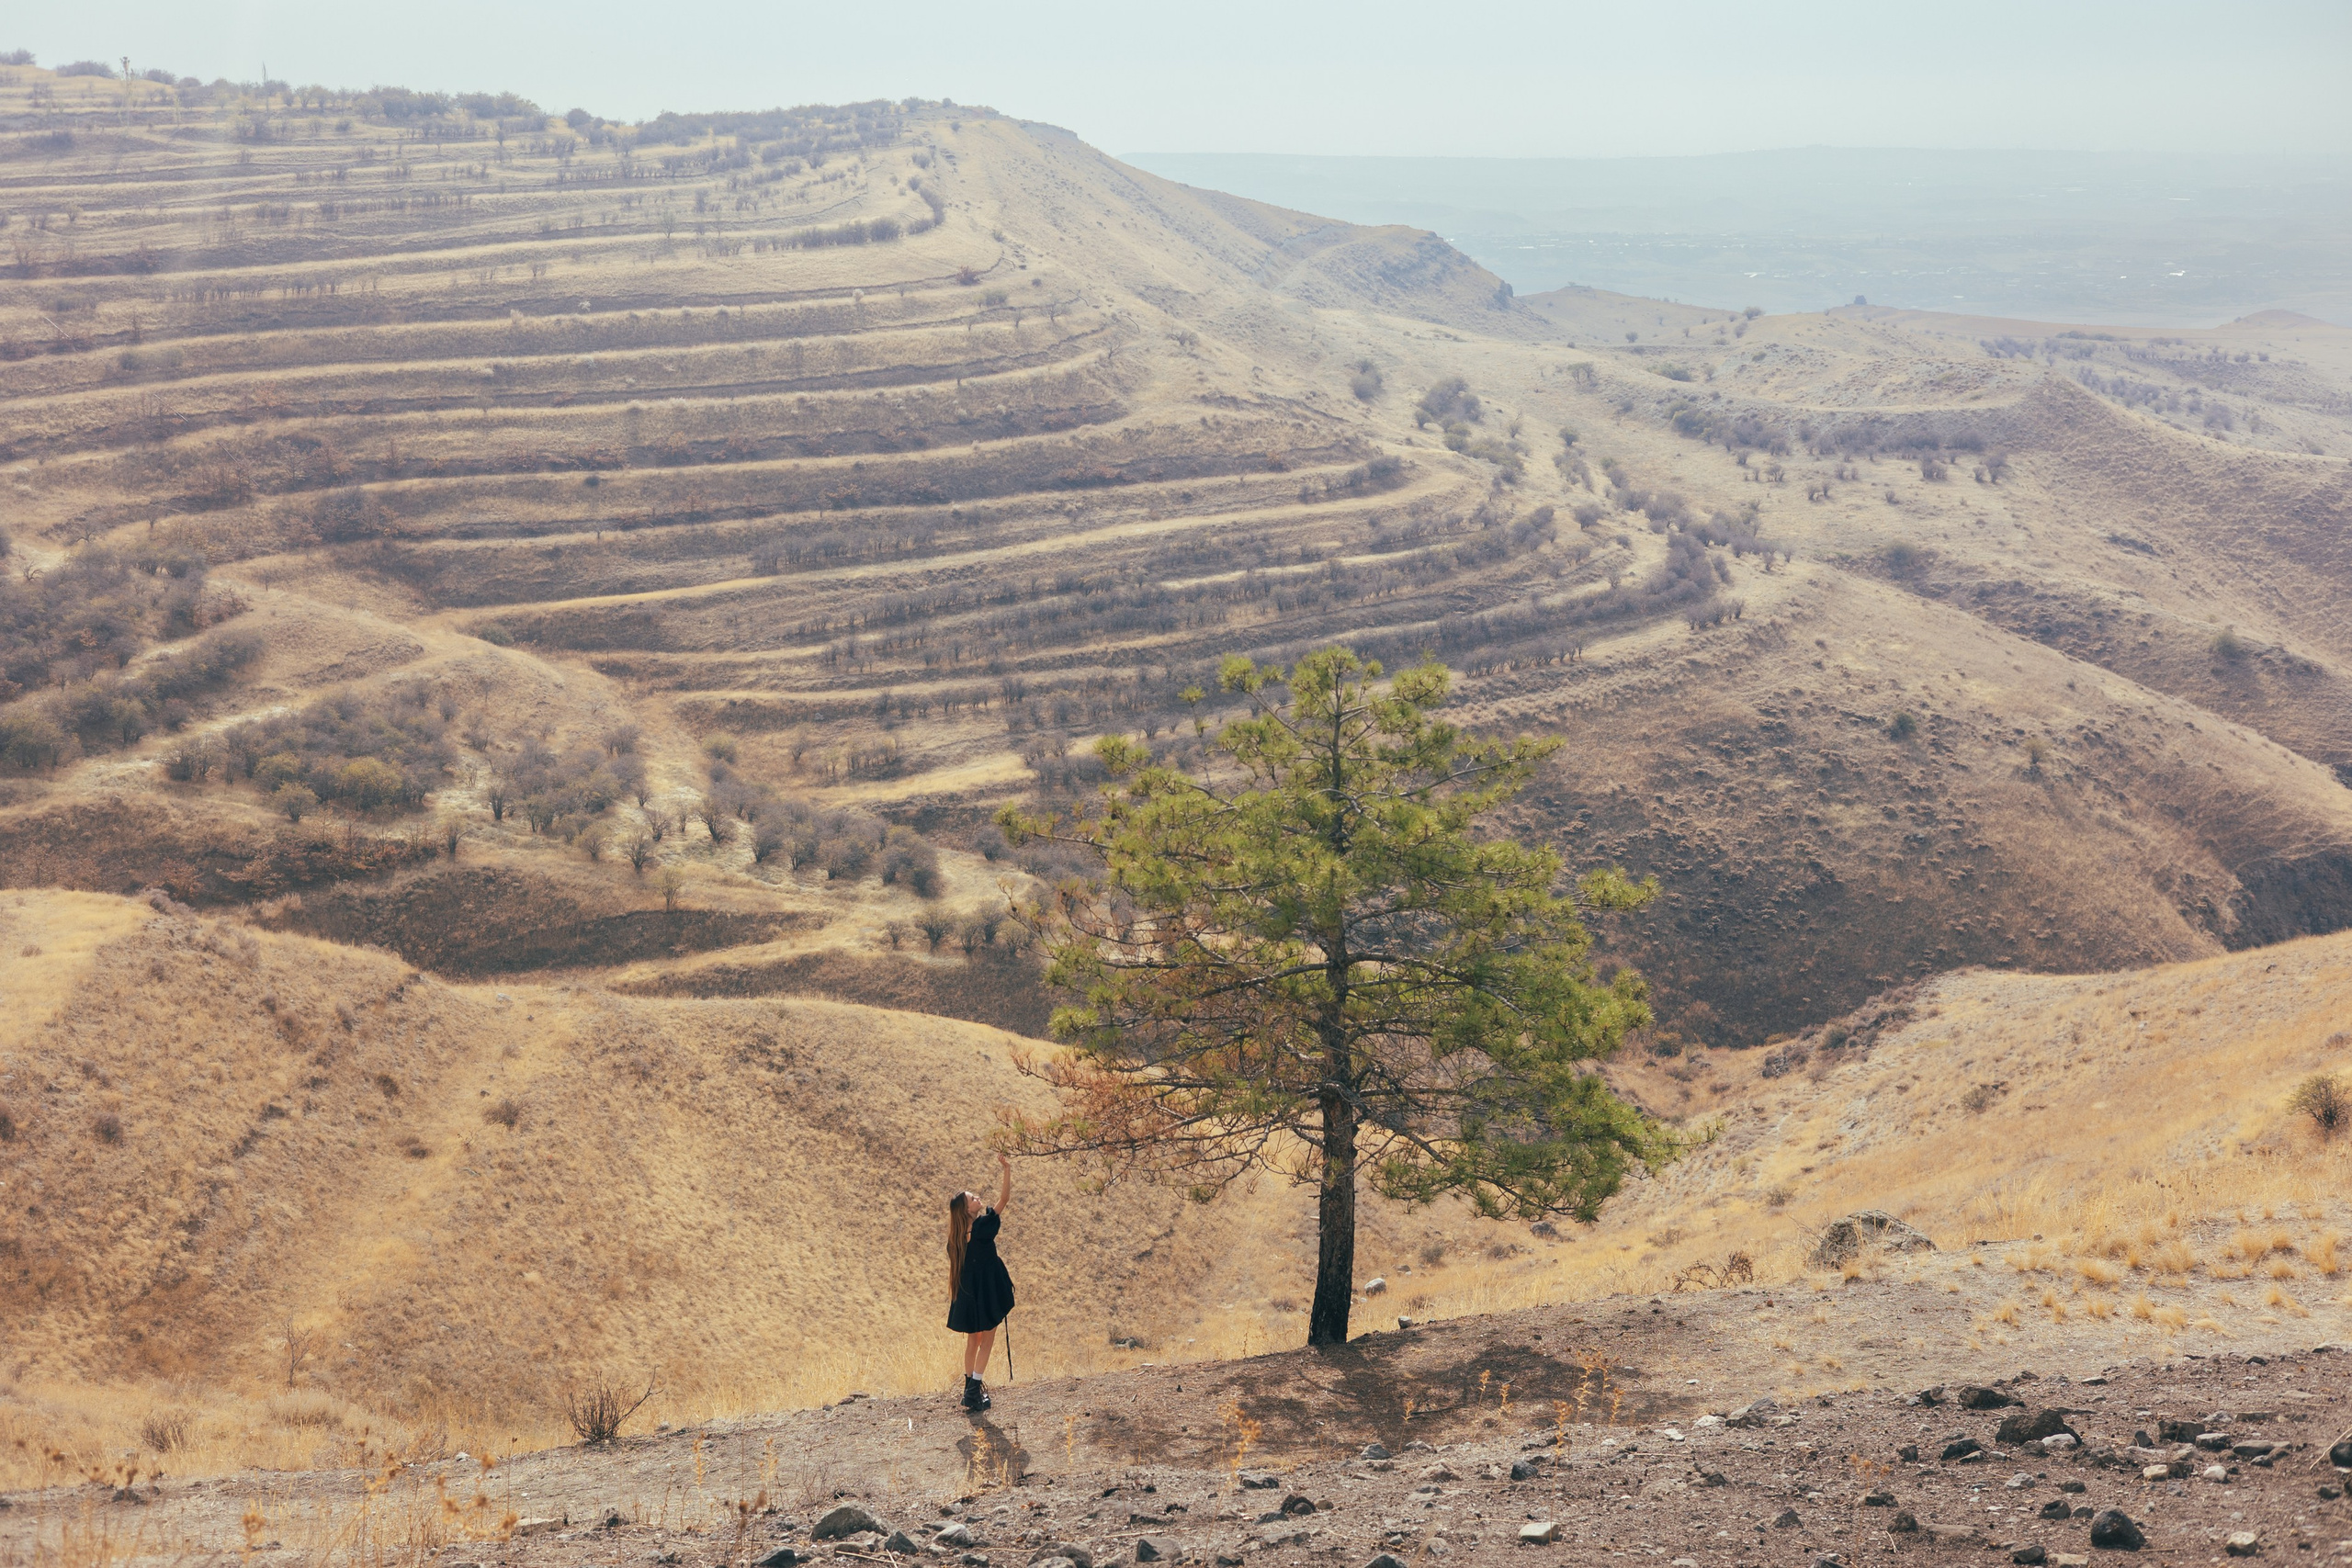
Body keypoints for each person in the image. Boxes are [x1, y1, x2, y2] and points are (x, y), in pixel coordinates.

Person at [946, 1151, 1015, 1411]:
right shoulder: (982, 1228)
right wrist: (1006, 1169)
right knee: (987, 1340)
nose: (977, 1197)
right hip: (987, 1293)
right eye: (972, 1198)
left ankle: (969, 1390)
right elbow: (1004, 1199)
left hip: (968, 1294)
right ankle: (974, 1390)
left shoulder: (955, 1239)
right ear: (967, 1209)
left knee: (972, 1341)